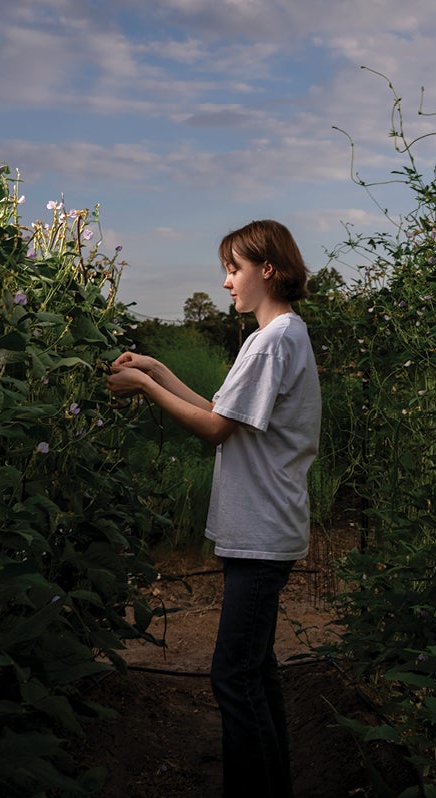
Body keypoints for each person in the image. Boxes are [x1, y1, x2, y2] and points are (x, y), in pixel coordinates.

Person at [106, 219, 321, 798]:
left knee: (232, 676)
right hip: (262, 529)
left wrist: (145, 390)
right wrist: (156, 369)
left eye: (234, 269)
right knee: (256, 671)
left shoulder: (274, 340)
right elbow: (221, 407)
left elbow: (217, 430)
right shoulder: (272, 336)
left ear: (267, 270)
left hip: (261, 532)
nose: (227, 281)